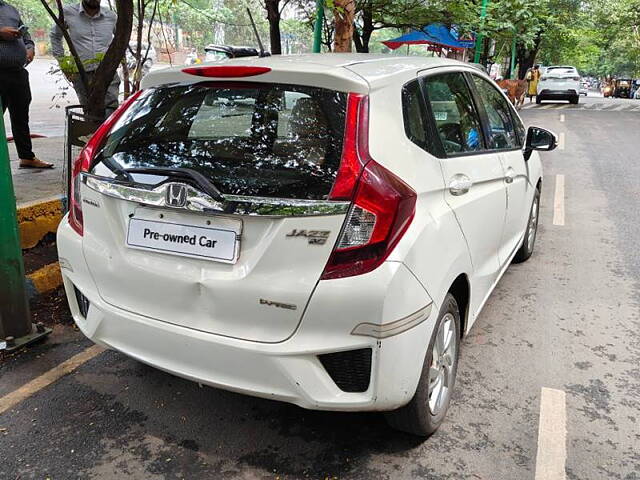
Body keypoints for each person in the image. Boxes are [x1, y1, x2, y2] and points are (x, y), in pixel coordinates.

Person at [0, 1, 53, 168]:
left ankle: (26, 157)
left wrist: (30, 48)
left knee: (21, 117)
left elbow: (26, 35)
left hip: (17, 72)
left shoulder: (10, 9)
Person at [50, 0, 119, 117]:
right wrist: (64, 64)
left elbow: (120, 40)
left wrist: (117, 61)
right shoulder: (68, 13)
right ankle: (94, 134)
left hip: (107, 72)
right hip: (82, 74)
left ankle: (108, 134)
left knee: (111, 108)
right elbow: (55, 36)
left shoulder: (111, 17)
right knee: (89, 111)